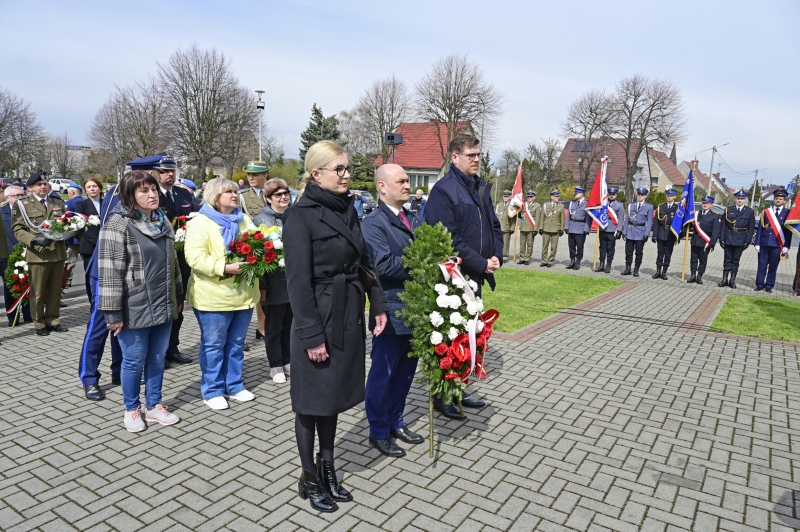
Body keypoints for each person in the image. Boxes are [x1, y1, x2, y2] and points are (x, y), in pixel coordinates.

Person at [283, 140, 388, 512]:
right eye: (338, 169)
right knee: (310, 404)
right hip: (318, 317)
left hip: (346, 314)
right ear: (317, 174)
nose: (347, 175)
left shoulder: (349, 209)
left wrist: (376, 303)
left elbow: (365, 259)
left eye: (347, 168)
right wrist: (311, 335)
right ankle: (309, 476)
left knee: (332, 401)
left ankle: (329, 470)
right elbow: (296, 284)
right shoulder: (300, 216)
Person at [423, 133, 502, 420]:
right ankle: (442, 395)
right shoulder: (444, 191)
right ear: (455, 158)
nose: (477, 159)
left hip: (476, 275)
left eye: (478, 154)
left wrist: (496, 257)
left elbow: (493, 225)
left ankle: (458, 388)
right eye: (471, 155)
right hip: (453, 277)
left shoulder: (479, 188)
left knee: (469, 335)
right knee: (449, 336)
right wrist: (481, 262)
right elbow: (450, 241)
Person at [98, 170, 182, 432]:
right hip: (133, 306)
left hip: (163, 301)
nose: (152, 194)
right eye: (144, 191)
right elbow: (109, 272)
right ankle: (132, 409)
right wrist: (112, 313)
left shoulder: (162, 220)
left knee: (157, 357)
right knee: (134, 360)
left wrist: (178, 296)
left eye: (154, 189)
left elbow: (173, 264)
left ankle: (154, 405)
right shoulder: (118, 224)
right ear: (130, 195)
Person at [361, 164, 424, 459]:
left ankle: (396, 422)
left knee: (405, 374)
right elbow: (382, 265)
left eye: (408, 180)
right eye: (401, 181)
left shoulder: (412, 218)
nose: (408, 185)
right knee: (382, 374)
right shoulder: (373, 222)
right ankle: (378, 431)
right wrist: (425, 266)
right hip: (390, 307)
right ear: (382, 187)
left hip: (416, 309)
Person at [184, 177, 259, 410]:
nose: (235, 195)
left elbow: (259, 243)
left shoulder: (244, 219)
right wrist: (224, 268)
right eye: (229, 192)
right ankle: (212, 389)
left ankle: (234, 385)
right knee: (214, 345)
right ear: (215, 197)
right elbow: (194, 258)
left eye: (236, 192)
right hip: (213, 295)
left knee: (236, 343)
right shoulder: (201, 222)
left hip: (242, 294)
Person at [128, 153, 196, 367]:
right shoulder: (151, 197)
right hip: (158, 258)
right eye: (164, 171)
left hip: (182, 259)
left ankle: (172, 348)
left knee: (177, 305)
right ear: (155, 174)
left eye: (172, 170)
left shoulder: (184, 195)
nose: (169, 174)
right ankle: (156, 353)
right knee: (157, 307)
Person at [78, 179, 123, 401]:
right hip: (106, 271)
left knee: (122, 325)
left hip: (127, 274)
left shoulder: (149, 195)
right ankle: (90, 378)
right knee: (99, 326)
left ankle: (119, 371)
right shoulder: (119, 192)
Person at [11, 172, 68, 336]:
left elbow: (64, 223)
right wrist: (34, 240)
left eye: (45, 183)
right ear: (30, 187)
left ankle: (53, 320)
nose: (43, 187)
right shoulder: (22, 204)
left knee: (55, 290)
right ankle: (39, 323)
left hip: (57, 252)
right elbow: (17, 229)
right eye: (39, 184)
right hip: (38, 254)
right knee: (37, 291)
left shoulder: (56, 202)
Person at [253, 178, 292, 383]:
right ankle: (275, 365)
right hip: (274, 282)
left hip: (294, 282)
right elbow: (257, 256)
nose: (284, 197)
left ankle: (287, 360)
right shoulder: (260, 221)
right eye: (278, 194)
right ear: (268, 199)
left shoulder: (295, 216)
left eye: (286, 193)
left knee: (289, 325)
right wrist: (263, 286)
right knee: (273, 327)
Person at [239, 161, 269, 346]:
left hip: (275, 247)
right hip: (254, 247)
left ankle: (267, 326)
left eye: (255, 175)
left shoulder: (274, 192)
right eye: (249, 174)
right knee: (258, 289)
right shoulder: (242, 196)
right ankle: (261, 327)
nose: (250, 178)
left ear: (265, 175)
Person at [2, 185, 33, 325]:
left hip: (28, 252)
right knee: (11, 286)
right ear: (7, 197)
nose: (20, 198)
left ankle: (28, 314)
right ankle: (12, 317)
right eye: (17, 195)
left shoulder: (30, 212)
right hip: (8, 254)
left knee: (29, 284)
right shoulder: (2, 212)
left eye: (22, 195)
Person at [754, 187, 792, 293]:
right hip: (765, 242)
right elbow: (760, 228)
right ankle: (759, 284)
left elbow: (788, 231)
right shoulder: (766, 212)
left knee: (773, 266)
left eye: (780, 199)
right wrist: (757, 243)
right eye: (776, 198)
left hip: (777, 244)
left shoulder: (788, 213)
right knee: (761, 265)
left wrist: (786, 246)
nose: (778, 200)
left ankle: (769, 285)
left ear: (784, 201)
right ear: (774, 199)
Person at [718, 190, 755, 289]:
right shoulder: (728, 210)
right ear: (735, 199)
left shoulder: (749, 211)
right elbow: (723, 226)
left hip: (741, 238)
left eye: (742, 199)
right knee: (727, 260)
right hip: (728, 237)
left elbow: (751, 228)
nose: (740, 200)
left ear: (745, 200)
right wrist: (721, 239)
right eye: (738, 198)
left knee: (735, 261)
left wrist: (748, 241)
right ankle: (724, 279)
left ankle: (732, 280)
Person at [75, 178, 104, 301]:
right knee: (90, 276)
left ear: (100, 188)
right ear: (85, 191)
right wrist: (97, 241)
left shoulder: (107, 203)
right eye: (89, 187)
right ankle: (92, 301)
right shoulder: (81, 204)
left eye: (95, 186)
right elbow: (81, 225)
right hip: (90, 247)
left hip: (108, 244)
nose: (92, 189)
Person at [687, 196, 722, 284]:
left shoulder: (715, 216)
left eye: (707, 203)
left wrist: (712, 243)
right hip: (695, 239)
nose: (705, 205)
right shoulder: (696, 214)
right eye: (703, 203)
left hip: (705, 241)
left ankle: (699, 276)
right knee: (693, 259)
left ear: (711, 205)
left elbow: (716, 231)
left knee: (703, 260)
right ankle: (693, 275)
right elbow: (691, 226)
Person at [620, 188, 654, 277]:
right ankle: (628, 269)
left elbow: (650, 221)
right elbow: (627, 219)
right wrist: (624, 231)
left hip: (640, 231)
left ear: (646, 196)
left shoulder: (649, 207)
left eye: (642, 195)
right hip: (630, 231)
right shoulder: (631, 205)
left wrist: (647, 234)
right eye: (639, 194)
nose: (640, 196)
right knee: (628, 252)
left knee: (638, 252)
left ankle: (636, 270)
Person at [651, 188, 679, 280]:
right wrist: (655, 234)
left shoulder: (677, 209)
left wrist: (677, 236)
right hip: (661, 232)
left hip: (671, 234)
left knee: (668, 254)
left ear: (675, 197)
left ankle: (664, 272)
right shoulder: (661, 207)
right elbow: (656, 222)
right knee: (660, 253)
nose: (669, 197)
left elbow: (679, 223)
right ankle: (658, 271)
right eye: (668, 195)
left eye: (671, 196)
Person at [597, 188, 626, 273]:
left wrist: (619, 230)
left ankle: (608, 265)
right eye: (610, 194)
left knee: (610, 248)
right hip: (603, 228)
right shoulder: (603, 203)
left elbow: (621, 218)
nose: (611, 196)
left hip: (612, 229)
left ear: (616, 195)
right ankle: (601, 265)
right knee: (602, 247)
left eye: (613, 194)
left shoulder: (619, 205)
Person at [64, 183, 84, 287]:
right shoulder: (86, 202)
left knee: (70, 261)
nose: (68, 195)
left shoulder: (69, 203)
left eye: (68, 193)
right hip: (86, 238)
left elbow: (65, 219)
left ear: (72, 192)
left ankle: (66, 282)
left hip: (73, 238)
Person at [565, 187, 591, 270]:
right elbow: (569, 215)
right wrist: (566, 227)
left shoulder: (587, 203)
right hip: (572, 227)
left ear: (582, 194)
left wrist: (586, 229)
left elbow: (589, 217)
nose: (575, 194)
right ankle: (572, 261)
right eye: (575, 193)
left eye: (577, 193)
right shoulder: (572, 203)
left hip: (581, 228)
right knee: (571, 246)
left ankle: (578, 262)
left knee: (580, 246)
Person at [539, 191, 565, 267]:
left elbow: (562, 218)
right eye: (556, 196)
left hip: (556, 229)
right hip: (546, 228)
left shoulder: (561, 206)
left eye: (558, 196)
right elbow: (541, 217)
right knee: (545, 246)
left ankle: (550, 261)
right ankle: (544, 260)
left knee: (554, 247)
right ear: (552, 197)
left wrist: (561, 229)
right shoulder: (545, 205)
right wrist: (541, 227)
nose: (558, 198)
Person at [517, 191, 540, 265]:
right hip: (523, 227)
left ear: (534, 198)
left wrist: (536, 229)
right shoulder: (523, 205)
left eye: (531, 197)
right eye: (528, 197)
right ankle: (522, 258)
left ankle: (527, 258)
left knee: (530, 244)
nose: (529, 198)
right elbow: (520, 215)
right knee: (522, 243)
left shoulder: (537, 206)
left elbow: (538, 218)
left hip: (531, 227)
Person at [495, 190, 516, 262]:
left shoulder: (512, 206)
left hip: (507, 227)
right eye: (504, 196)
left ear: (510, 197)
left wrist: (512, 228)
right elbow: (496, 216)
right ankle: (497, 255)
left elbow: (513, 219)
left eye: (507, 196)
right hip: (498, 227)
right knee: (497, 242)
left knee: (506, 243)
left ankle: (505, 256)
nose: (505, 197)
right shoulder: (499, 205)